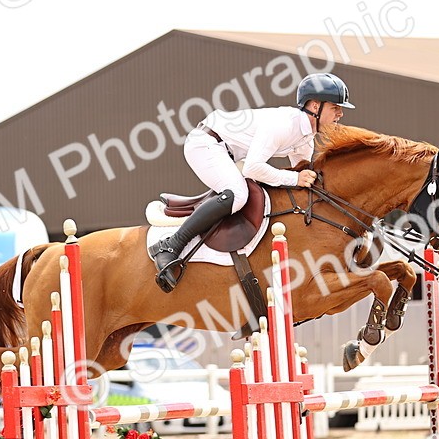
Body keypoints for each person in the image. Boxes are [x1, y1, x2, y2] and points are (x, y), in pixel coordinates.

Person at [150, 72, 355, 291]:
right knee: (237, 194)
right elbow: (254, 168)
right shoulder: (285, 124)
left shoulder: (306, 137)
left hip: (226, 152)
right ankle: (170, 245)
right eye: (336, 108)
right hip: (206, 144)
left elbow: (303, 174)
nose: (340, 114)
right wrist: (295, 177)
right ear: (315, 106)